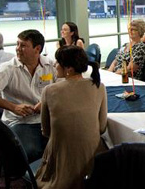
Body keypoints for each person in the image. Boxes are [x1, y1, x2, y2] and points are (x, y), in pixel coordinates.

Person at [0, 30, 57, 162]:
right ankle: (37, 179)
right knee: (31, 152)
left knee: (68, 144)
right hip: (21, 122)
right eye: (17, 44)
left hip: (47, 119)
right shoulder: (8, 68)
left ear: (37, 49)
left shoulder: (50, 65)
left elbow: (61, 88)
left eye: (23, 45)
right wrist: (13, 107)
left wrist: (45, 102)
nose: (18, 49)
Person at [36, 46, 107, 189]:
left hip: (62, 160)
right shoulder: (99, 86)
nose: (55, 65)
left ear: (69, 68)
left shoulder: (49, 91)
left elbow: (46, 131)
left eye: (57, 62)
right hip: (92, 158)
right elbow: (101, 127)